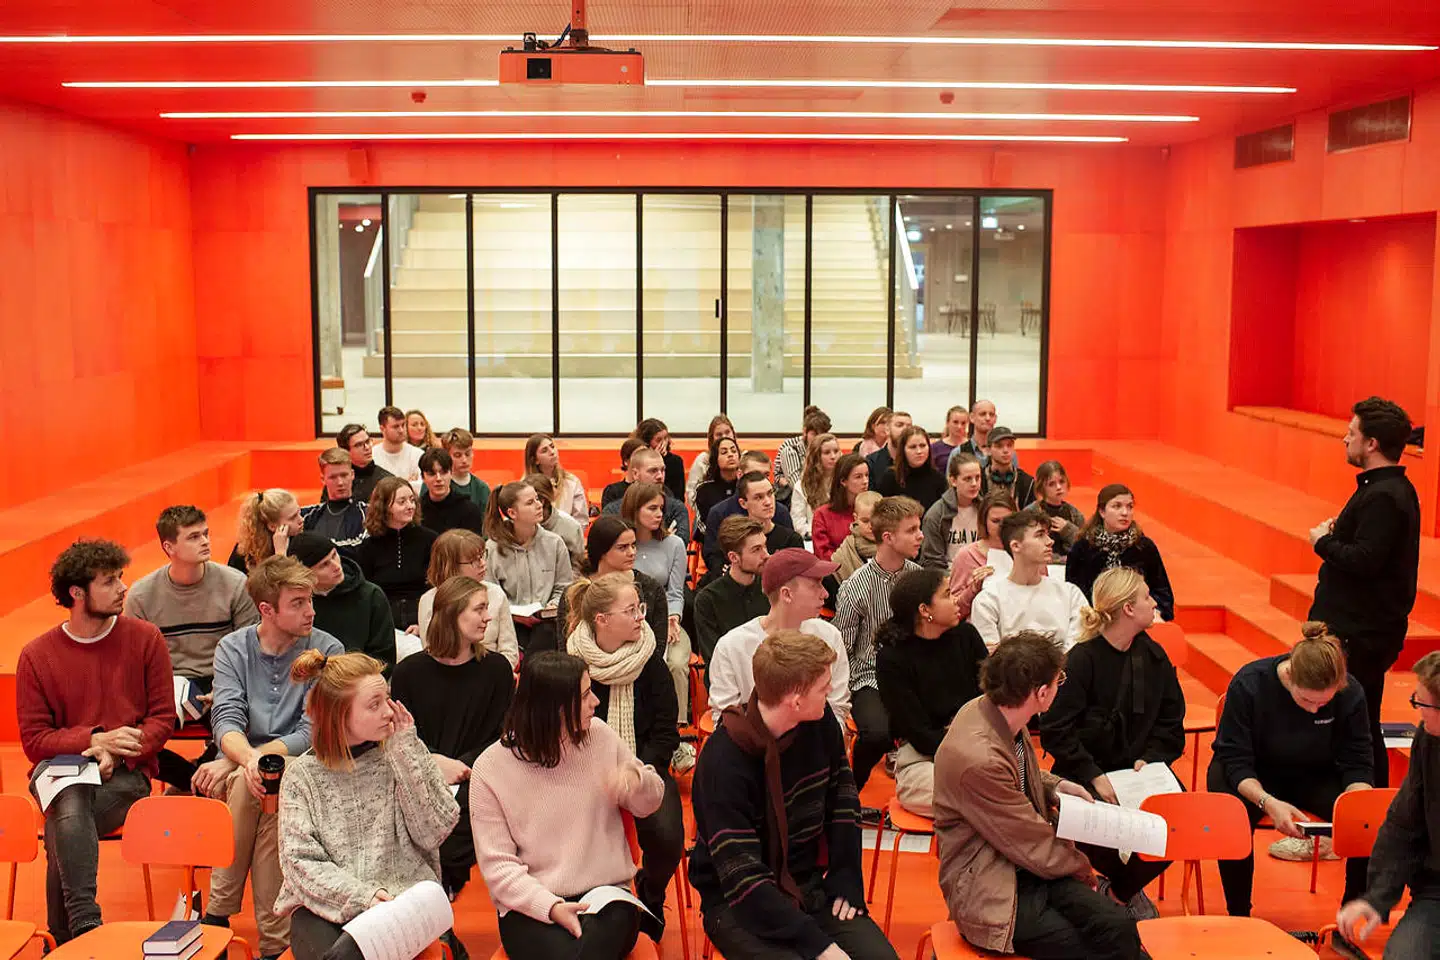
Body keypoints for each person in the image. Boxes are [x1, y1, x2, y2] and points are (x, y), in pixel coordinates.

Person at [934, 632, 1144, 959]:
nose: (1061, 686)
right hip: (994, 886)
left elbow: (1012, 777)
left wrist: (1054, 786)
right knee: (1104, 949)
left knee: (1120, 929)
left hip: (1028, 868)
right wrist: (1083, 869)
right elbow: (1029, 840)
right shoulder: (979, 757)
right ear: (1041, 693)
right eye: (1059, 680)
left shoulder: (996, 711)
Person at [691, 630, 897, 960]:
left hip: (807, 884)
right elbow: (741, 874)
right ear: (796, 701)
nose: (830, 691)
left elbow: (843, 799)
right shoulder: (723, 760)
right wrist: (819, 945)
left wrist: (846, 876)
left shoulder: (821, 724)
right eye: (824, 687)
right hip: (736, 901)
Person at [18, 539, 174, 945]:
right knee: (71, 794)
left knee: (65, 820)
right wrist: (94, 741)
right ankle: (84, 926)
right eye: (109, 581)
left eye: (120, 577)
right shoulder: (36, 655)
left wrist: (117, 755)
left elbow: (162, 719)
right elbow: (34, 740)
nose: (123, 588)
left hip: (125, 776)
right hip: (58, 774)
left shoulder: (146, 639)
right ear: (77, 593)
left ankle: (69, 937)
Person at [470, 652, 666, 960]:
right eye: (585, 695)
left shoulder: (599, 736)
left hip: (606, 896)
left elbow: (650, 803)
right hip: (531, 903)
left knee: (595, 944)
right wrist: (551, 907)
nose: (595, 702)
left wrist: (636, 782)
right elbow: (498, 868)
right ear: (555, 708)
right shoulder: (490, 768)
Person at [275, 649, 465, 960]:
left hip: (400, 903)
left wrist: (405, 751)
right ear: (338, 715)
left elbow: (434, 832)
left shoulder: (403, 752)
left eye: (387, 699)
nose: (389, 711)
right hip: (326, 906)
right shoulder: (301, 776)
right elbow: (300, 863)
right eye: (374, 705)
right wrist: (362, 897)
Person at [200, 556, 345, 959]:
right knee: (267, 795)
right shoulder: (234, 648)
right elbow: (226, 717)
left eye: (310, 600)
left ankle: (216, 912)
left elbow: (310, 733)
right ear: (267, 609)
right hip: (251, 774)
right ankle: (274, 944)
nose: (311, 611)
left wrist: (243, 760)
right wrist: (248, 760)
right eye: (298, 603)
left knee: (266, 780)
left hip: (305, 766)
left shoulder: (326, 649)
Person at [1039, 568, 1184, 918]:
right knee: (1096, 822)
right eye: (1147, 597)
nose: (1155, 603)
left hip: (1139, 774)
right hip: (1086, 772)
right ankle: (1116, 891)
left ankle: (1119, 894)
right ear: (1128, 609)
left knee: (1179, 822)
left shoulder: (1154, 655)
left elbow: (1171, 721)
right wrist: (1094, 774)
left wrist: (1151, 758)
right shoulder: (1082, 660)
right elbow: (1056, 729)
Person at [1207, 623, 1374, 918]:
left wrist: (1356, 802)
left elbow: (1358, 760)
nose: (1314, 710)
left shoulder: (1351, 693)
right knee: (1231, 815)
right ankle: (1239, 915)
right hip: (1254, 772)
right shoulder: (1250, 684)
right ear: (1289, 676)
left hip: (1315, 773)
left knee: (1366, 819)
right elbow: (1234, 759)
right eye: (1307, 700)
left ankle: (1350, 917)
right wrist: (1268, 802)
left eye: (1324, 703)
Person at [1309, 396, 1420, 791]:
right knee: (1358, 721)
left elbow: (1365, 560)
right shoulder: (1386, 490)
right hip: (1360, 630)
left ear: (1371, 443)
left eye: (1351, 432)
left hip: (1360, 635)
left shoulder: (1385, 495)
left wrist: (1323, 542)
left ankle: (1362, 806)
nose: (1345, 439)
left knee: (1358, 725)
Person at [564, 574, 684, 923]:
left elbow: (665, 733)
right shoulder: (571, 667)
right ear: (602, 620)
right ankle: (592, 907)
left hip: (644, 767)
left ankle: (651, 895)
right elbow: (564, 733)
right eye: (630, 610)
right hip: (582, 773)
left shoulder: (651, 662)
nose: (641, 617)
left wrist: (637, 773)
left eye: (639, 608)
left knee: (667, 838)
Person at [391, 575, 514, 901]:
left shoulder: (497, 670)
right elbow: (401, 734)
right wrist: (434, 762)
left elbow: (503, 735)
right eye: (479, 609)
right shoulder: (408, 673)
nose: (488, 617)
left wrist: (463, 767)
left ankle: (440, 884)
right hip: (421, 770)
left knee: (470, 809)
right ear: (452, 615)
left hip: (479, 773)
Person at [126, 506, 259, 790]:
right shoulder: (141, 595)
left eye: (206, 534)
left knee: (243, 729)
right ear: (169, 547)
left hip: (222, 678)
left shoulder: (236, 584)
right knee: (130, 738)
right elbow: (135, 662)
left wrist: (227, 687)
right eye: (194, 537)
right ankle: (195, 781)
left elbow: (249, 650)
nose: (205, 541)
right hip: (167, 683)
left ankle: (199, 780)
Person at [1336, 650, 1440, 958]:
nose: (1418, 711)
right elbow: (1404, 822)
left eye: (1422, 704)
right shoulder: (1428, 740)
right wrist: (1376, 897)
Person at [875, 568, 987, 818]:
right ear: (925, 610)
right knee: (974, 796)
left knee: (994, 792)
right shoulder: (892, 658)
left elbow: (991, 698)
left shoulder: (966, 636)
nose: (957, 600)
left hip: (978, 746)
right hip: (922, 758)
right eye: (947, 595)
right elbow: (918, 733)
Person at [834, 496, 924, 792]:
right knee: (876, 735)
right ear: (888, 537)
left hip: (913, 676)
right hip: (869, 676)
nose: (920, 536)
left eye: (919, 528)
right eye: (911, 530)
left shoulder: (920, 579)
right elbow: (843, 648)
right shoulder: (855, 586)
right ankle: (849, 789)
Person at [709, 548, 851, 725]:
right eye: (816, 585)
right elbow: (725, 719)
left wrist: (826, 739)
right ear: (786, 594)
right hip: (754, 740)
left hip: (818, 738)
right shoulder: (732, 647)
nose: (825, 594)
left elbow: (838, 707)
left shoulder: (830, 636)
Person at [622, 482, 693, 724]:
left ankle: (678, 726)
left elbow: (676, 592)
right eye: (652, 508)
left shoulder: (674, 544)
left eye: (661, 508)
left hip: (666, 616)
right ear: (634, 509)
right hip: (629, 619)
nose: (660, 514)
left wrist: (673, 617)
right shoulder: (622, 544)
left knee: (677, 663)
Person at [557, 516, 671, 664]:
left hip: (640, 669)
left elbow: (657, 648)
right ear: (601, 551)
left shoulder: (651, 588)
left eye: (633, 545)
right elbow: (565, 648)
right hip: (584, 670)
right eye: (622, 547)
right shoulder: (574, 592)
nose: (632, 552)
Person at [972, 512, 1087, 653]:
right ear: (1016, 546)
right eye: (1040, 535)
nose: (1050, 541)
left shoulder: (1070, 593)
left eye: (1048, 535)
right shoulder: (988, 600)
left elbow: (1077, 649)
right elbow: (992, 657)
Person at [484, 480, 574, 654]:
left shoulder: (555, 543)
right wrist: (513, 614)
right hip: (508, 621)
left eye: (537, 499)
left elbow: (564, 587)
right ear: (512, 513)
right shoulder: (492, 548)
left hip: (547, 621)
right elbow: (490, 594)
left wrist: (551, 607)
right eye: (530, 502)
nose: (539, 505)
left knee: (546, 635)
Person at [288, 532, 396, 675]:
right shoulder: (293, 604)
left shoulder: (371, 595)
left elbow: (384, 658)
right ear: (307, 574)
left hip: (360, 680)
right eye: (324, 564)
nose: (336, 566)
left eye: (334, 555)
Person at [1066, 484, 1175, 623]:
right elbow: (1074, 593)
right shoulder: (1083, 548)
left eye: (1129, 507)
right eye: (1117, 506)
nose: (1125, 513)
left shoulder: (1144, 547)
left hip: (1136, 619)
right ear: (1102, 511)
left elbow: (1163, 593)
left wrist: (1153, 611)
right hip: (1095, 619)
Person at [415, 529, 520, 669]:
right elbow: (431, 651)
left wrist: (497, 673)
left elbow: (510, 651)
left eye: (482, 556)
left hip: (491, 671)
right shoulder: (429, 600)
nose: (482, 563)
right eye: (473, 561)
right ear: (450, 565)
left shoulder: (496, 593)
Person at [356, 476, 438, 631]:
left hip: (423, 619)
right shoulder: (368, 547)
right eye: (402, 502)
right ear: (384, 507)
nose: (410, 506)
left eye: (412, 500)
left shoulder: (430, 540)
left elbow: (439, 588)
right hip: (384, 621)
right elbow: (365, 594)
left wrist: (424, 625)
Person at [693, 516, 770, 667]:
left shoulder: (773, 588)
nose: (766, 555)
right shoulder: (707, 600)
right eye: (756, 550)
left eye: (765, 546)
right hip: (729, 675)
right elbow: (715, 658)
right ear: (734, 557)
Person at [701, 450, 794, 561]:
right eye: (754, 475)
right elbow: (713, 556)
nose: (761, 480)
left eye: (766, 475)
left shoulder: (780, 512)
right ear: (740, 475)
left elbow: (792, 554)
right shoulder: (719, 513)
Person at [705, 471, 804, 575]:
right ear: (743, 503)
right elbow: (717, 567)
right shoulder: (733, 540)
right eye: (758, 497)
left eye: (770, 493)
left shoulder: (791, 540)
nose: (768, 502)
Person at [948, 490, 1017, 619]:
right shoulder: (966, 556)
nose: (1002, 527)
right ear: (984, 522)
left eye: (1008, 520)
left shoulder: (1026, 551)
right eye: (995, 521)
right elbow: (953, 611)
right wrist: (973, 589)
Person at [602, 447, 691, 542]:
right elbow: (607, 544)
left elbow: (679, 544)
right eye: (653, 471)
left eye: (662, 470)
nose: (660, 476)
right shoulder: (613, 510)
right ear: (635, 474)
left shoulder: (677, 509)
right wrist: (664, 540)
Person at [300, 448, 369, 557]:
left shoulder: (367, 513)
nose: (340, 482)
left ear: (352, 475)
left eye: (344, 475)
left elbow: (359, 547)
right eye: (333, 477)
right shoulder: (308, 515)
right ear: (323, 479)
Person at [920, 452, 982, 570]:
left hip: (981, 573)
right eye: (967, 479)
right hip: (948, 575)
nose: (974, 484)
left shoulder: (984, 509)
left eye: (977, 477)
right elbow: (932, 562)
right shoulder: (936, 515)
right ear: (953, 481)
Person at [811, 453, 870, 562]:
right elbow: (822, 555)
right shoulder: (822, 515)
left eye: (867, 475)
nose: (865, 481)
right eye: (858, 477)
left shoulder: (874, 508)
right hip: (836, 570)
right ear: (843, 481)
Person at [228, 489, 303, 573]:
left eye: (299, 512)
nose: (301, 520)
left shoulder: (304, 542)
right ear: (272, 526)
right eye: (292, 518)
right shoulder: (246, 552)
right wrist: (280, 554)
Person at [418, 449, 487, 538]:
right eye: (432, 474)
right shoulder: (416, 510)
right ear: (423, 477)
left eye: (443, 473)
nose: (438, 479)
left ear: (451, 473)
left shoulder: (469, 510)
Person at [875, 424, 947, 510]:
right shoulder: (890, 477)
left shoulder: (939, 479)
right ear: (903, 450)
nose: (919, 451)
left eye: (923, 446)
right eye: (913, 447)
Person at [525, 433, 589, 525]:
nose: (552, 452)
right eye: (544, 450)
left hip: (567, 533)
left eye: (552, 446)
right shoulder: (524, 487)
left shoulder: (572, 482)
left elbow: (581, 520)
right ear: (535, 460)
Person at [526, 473, 586, 572]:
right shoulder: (515, 525)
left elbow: (578, 568)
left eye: (528, 502)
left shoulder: (571, 527)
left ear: (541, 501)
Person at [777, 406, 833, 506]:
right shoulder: (791, 450)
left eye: (823, 434)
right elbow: (797, 486)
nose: (819, 438)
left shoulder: (831, 450)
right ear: (805, 432)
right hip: (799, 501)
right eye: (814, 434)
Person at [692, 435, 742, 544]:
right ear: (716, 458)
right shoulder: (703, 489)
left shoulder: (746, 485)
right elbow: (703, 524)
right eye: (724, 452)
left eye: (734, 451)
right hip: (715, 542)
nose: (730, 455)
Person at [1032, 461, 1085, 562]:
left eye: (1062, 481)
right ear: (1041, 488)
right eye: (1051, 484)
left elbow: (1085, 548)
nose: (1059, 487)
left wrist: (1068, 530)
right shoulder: (1032, 513)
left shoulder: (1074, 514)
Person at [793, 433, 841, 540]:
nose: (833, 456)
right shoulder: (801, 486)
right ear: (816, 456)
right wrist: (818, 533)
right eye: (827, 452)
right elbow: (798, 523)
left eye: (836, 451)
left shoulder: (845, 481)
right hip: (813, 538)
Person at [686, 415, 736, 511]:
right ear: (712, 438)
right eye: (719, 434)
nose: (724, 437)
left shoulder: (744, 458)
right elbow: (691, 493)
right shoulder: (702, 460)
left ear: (733, 433)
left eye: (727, 432)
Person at [335, 424, 393, 504]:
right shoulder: (337, 480)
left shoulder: (387, 481)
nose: (367, 447)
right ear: (345, 451)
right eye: (359, 445)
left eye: (368, 442)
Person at [632, 418, 686, 503]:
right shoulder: (636, 458)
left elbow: (679, 496)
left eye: (665, 438)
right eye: (658, 440)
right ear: (646, 442)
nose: (663, 443)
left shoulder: (675, 461)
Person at [833, 491, 882, 582]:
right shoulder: (845, 552)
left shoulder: (896, 546)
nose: (871, 526)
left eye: (876, 520)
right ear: (856, 518)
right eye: (865, 521)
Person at [441, 427, 491, 516]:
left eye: (468, 454)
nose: (464, 460)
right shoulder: (436, 484)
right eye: (457, 455)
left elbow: (487, 521)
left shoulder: (482, 489)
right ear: (446, 456)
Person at [981, 426, 1035, 506]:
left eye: (1009, 445)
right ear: (988, 450)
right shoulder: (978, 479)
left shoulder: (1028, 482)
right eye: (999, 446)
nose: (1006, 450)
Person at [372, 405, 423, 483]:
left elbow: (421, 486)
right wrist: (407, 483)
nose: (401, 430)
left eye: (403, 425)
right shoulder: (372, 456)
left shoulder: (418, 455)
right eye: (396, 427)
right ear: (382, 429)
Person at [865, 410, 912, 479]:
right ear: (887, 430)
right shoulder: (872, 462)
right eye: (899, 425)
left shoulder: (915, 460)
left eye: (909, 426)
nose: (905, 429)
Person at [601, 438, 648, 507]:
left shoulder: (652, 487)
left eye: (646, 455)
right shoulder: (612, 491)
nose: (644, 459)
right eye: (639, 455)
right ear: (626, 461)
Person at [957, 399, 999, 467]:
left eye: (991, 414)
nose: (988, 418)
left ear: (995, 418)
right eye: (983, 414)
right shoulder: (958, 452)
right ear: (972, 417)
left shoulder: (1006, 453)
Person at [930, 405, 970, 472]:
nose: (959, 426)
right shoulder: (935, 448)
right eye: (955, 422)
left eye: (963, 423)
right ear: (947, 423)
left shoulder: (972, 446)